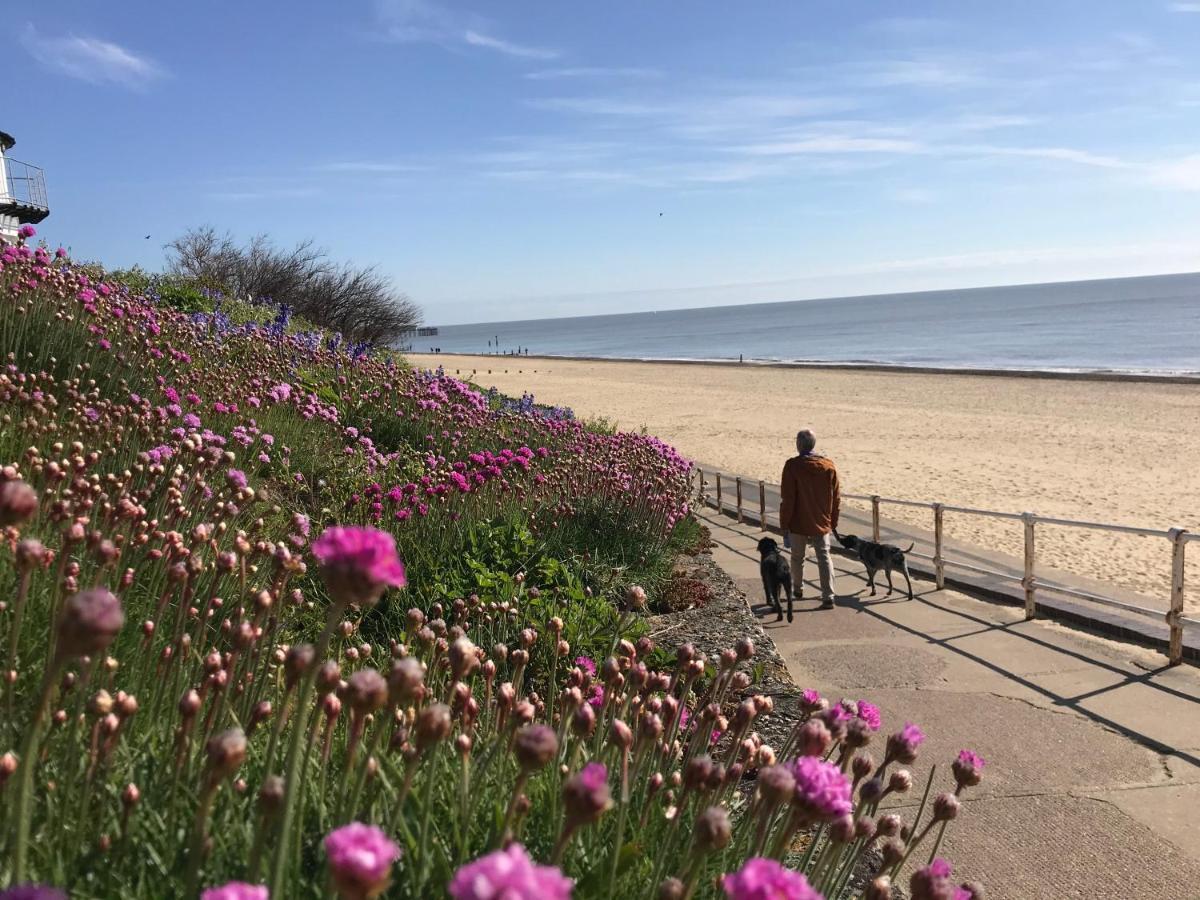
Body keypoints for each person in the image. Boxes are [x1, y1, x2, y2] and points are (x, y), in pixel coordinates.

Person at [779, 428, 839, 609]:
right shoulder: (828, 466)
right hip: (821, 521)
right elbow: (836, 497)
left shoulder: (792, 466)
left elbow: (787, 498)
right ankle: (828, 594)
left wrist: (784, 524)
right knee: (824, 557)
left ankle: (797, 588)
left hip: (798, 521)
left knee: (797, 557)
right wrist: (833, 521)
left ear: (798, 444)